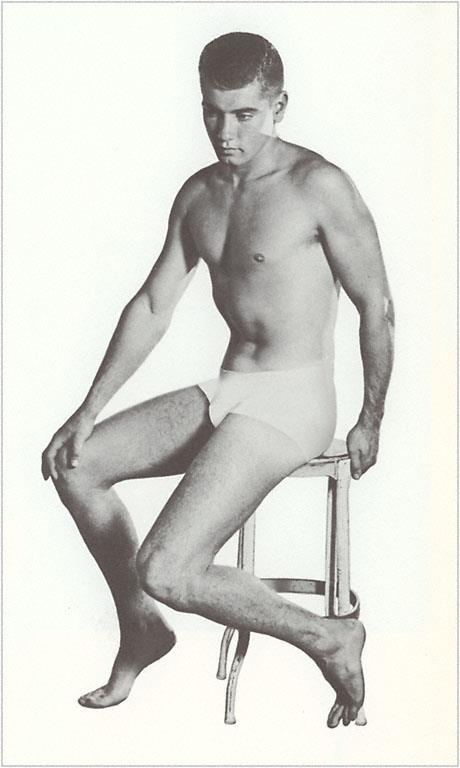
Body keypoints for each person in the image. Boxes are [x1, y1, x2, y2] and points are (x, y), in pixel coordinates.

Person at [41, 32, 394, 728]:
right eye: (212, 112)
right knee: (76, 467)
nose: (225, 133)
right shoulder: (199, 194)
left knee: (168, 567)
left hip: (294, 397)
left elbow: (376, 306)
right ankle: (142, 628)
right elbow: (153, 305)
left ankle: (329, 636)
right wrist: (87, 410)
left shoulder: (318, 186)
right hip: (230, 386)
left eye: (243, 115)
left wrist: (370, 418)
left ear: (278, 106)